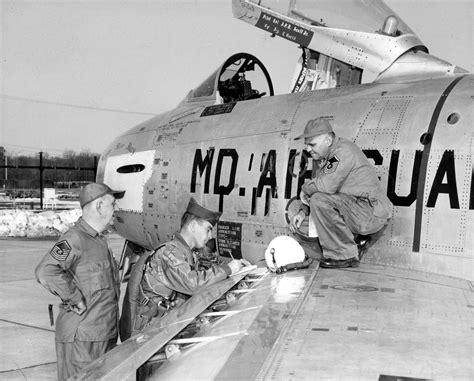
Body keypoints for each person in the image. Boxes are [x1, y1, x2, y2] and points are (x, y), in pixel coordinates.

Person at [120, 197, 249, 341]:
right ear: (193, 226)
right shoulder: (168, 254)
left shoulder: (187, 253)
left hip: (165, 330)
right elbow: (192, 283)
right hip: (149, 335)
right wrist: (228, 270)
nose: (210, 236)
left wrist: (236, 265)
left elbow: (208, 267)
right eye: (208, 229)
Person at [35, 183, 125, 380]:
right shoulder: (74, 238)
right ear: (99, 205)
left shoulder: (99, 241)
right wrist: (74, 297)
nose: (116, 209)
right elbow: (46, 271)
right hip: (82, 340)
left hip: (102, 335)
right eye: (113, 203)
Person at [291, 118, 392, 269]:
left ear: (328, 140)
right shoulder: (329, 156)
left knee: (320, 200)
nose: (307, 149)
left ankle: (344, 256)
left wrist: (305, 188)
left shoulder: (341, 152)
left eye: (312, 144)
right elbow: (319, 186)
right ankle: (353, 243)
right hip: (362, 209)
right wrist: (302, 212)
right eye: (307, 145)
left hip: (370, 213)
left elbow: (325, 186)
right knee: (319, 197)